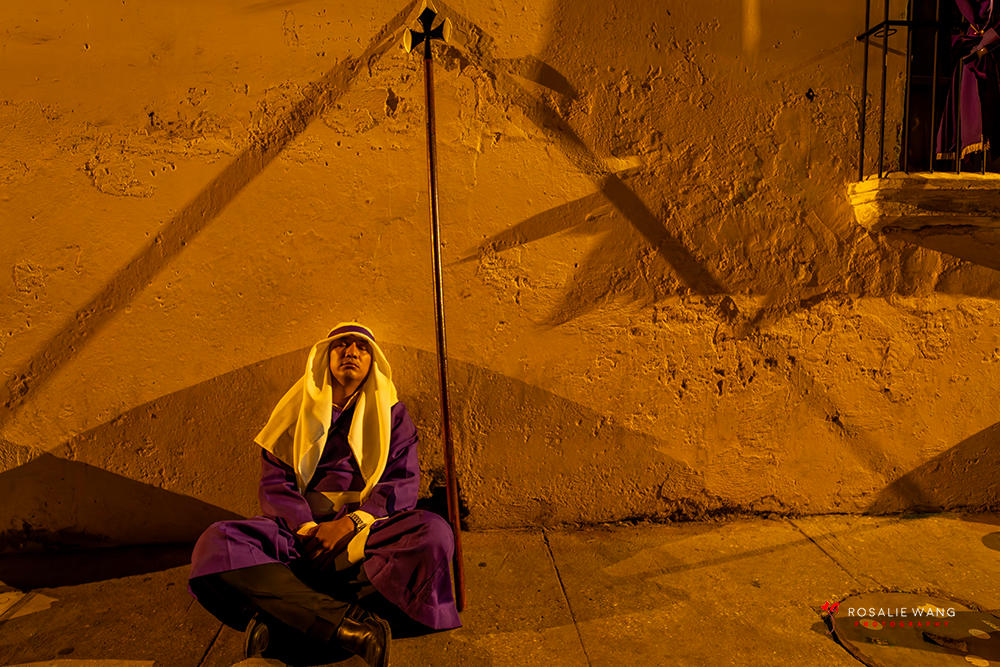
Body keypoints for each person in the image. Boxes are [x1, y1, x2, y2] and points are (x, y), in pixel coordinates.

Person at [188, 322, 461, 667]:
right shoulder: (294, 412)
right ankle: (350, 625)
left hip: (367, 533)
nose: (351, 353)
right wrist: (308, 530)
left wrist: (349, 525)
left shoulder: (393, 415)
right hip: (299, 538)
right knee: (216, 542)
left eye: (361, 348)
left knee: (434, 533)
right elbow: (276, 484)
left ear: (373, 362)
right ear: (325, 358)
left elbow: (401, 483)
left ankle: (290, 617)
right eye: (341, 345)